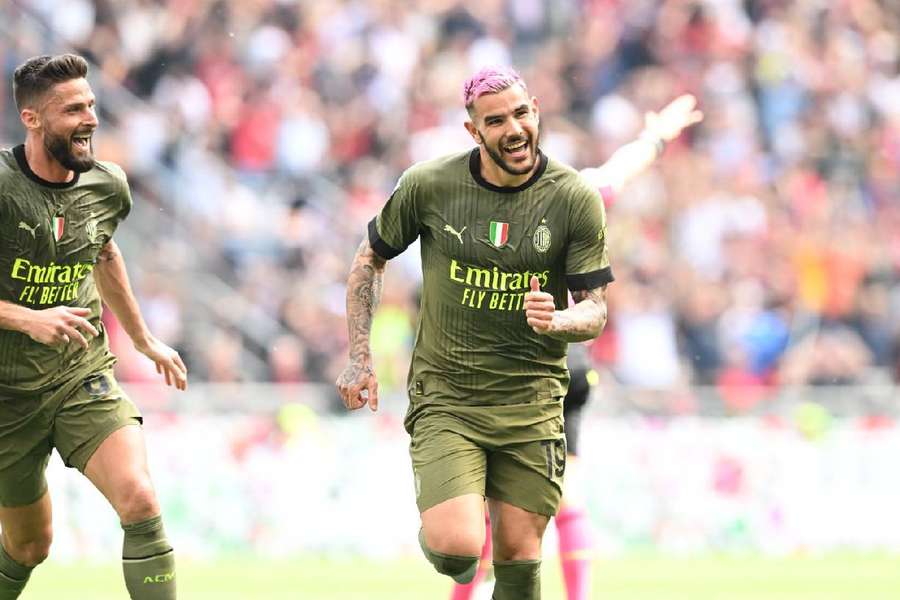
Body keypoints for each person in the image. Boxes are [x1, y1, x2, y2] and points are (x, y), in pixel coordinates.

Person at [338, 65, 618, 599]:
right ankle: (447, 532)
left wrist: (559, 319)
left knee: (518, 556)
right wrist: (359, 357)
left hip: (532, 404)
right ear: (473, 131)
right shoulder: (429, 185)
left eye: (520, 113)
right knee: (457, 549)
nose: (513, 128)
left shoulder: (573, 197)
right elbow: (369, 258)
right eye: (496, 121)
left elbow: (596, 309)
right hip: (450, 398)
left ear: (535, 110)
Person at [450, 94, 704, 600]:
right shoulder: (576, 194)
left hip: (514, 374)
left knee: (487, 502)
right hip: (567, 366)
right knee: (564, 496)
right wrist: (654, 137)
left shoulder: (477, 211)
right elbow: (619, 173)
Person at [0, 54, 187, 600]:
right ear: (33, 120)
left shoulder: (108, 186)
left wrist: (143, 338)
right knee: (30, 546)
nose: (90, 119)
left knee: (141, 500)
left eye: (92, 106)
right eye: (74, 109)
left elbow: (103, 254)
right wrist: (27, 319)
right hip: (8, 396)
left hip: (80, 376)